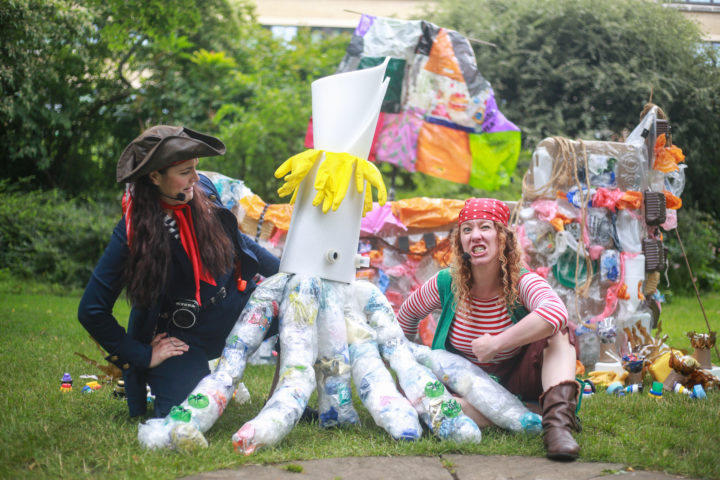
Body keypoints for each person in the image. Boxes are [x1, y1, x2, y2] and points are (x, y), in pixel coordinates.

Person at [78, 126, 280, 418]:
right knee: (186, 412)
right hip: (184, 338)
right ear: (154, 177)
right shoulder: (132, 233)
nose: (196, 179)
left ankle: (280, 401)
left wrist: (288, 275)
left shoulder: (204, 192)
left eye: (195, 168)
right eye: (185, 172)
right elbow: (91, 310)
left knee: (300, 307)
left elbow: (240, 241)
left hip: (237, 308)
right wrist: (144, 355)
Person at [397, 197, 581, 461]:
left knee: (559, 334)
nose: (475, 235)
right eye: (467, 229)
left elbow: (556, 312)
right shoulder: (446, 282)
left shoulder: (521, 280)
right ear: (460, 240)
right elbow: (406, 317)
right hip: (463, 388)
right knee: (417, 397)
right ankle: (526, 415)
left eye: (485, 227)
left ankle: (557, 427)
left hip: (516, 381)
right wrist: (403, 366)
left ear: (502, 236)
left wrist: (497, 343)